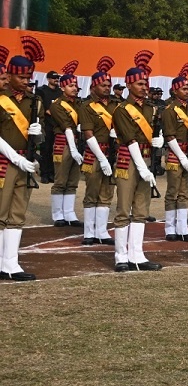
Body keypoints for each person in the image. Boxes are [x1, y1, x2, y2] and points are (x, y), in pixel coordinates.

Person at [110, 58, 164, 272]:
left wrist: (157, 143)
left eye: (146, 83)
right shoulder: (122, 109)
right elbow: (130, 138)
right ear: (129, 84)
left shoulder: (151, 109)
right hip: (129, 160)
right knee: (124, 208)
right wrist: (141, 167)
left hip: (148, 158)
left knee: (141, 208)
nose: (144, 87)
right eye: (140, 83)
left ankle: (137, 254)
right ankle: (120, 256)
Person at [0, 38, 46, 281]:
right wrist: (15, 160)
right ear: (10, 74)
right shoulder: (0, 98)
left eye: (29, 77)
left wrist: (38, 138)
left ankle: (11, 263)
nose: (27, 81)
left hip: (25, 162)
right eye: (22, 77)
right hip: (3, 162)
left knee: (17, 213)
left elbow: (40, 136)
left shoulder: (34, 102)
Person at [80, 57, 118, 247]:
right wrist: (102, 158)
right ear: (93, 86)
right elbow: (88, 133)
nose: (106, 88)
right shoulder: (86, 106)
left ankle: (101, 231)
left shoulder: (115, 105)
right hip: (95, 154)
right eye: (103, 85)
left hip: (112, 152)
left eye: (108, 84)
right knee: (92, 192)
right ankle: (89, 232)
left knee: (106, 192)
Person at [161, 63, 188, 242]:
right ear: (175, 91)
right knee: (173, 191)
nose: (187, 91)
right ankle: (170, 227)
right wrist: (182, 157)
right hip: (176, 154)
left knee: (185, 192)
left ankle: (182, 227)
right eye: (184, 88)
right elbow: (169, 136)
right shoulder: (170, 110)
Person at [47, 64, 85, 228]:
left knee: (73, 180)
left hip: (77, 141)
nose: (74, 88)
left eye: (75, 85)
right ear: (63, 87)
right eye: (71, 85)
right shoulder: (57, 105)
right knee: (61, 180)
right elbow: (66, 126)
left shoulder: (78, 103)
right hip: (63, 143)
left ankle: (69, 213)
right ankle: (58, 214)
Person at [35, 69, 61, 183]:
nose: (56, 80)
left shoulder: (60, 92)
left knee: (56, 150)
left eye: (57, 78)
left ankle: (52, 173)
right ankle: (44, 173)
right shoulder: (42, 91)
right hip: (46, 124)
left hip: (57, 124)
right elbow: (38, 105)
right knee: (46, 149)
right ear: (48, 79)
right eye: (54, 78)